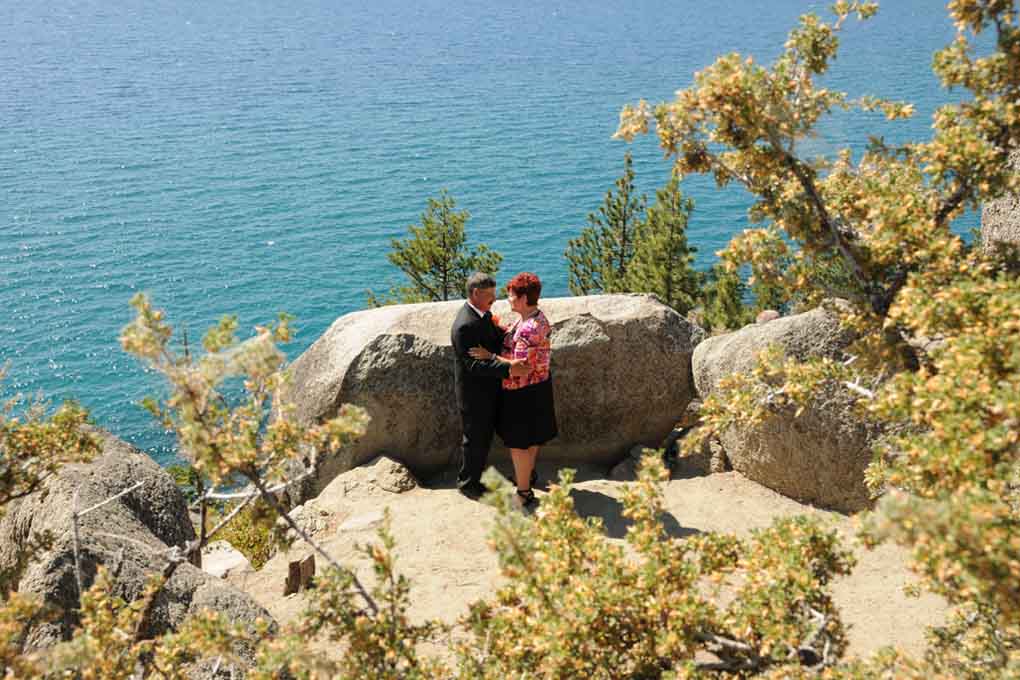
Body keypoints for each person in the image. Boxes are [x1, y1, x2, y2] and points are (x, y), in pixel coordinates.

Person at [469, 272, 557, 510]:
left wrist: (490, 356)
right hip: (537, 388)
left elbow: (518, 368)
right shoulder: (534, 318)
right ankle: (526, 476)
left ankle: (524, 492)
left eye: (511, 295)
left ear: (522, 298)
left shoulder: (529, 329)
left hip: (522, 392)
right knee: (531, 440)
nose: (507, 298)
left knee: (519, 444)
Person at [451, 272, 530, 498]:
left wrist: (507, 333)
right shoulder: (464, 326)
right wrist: (509, 368)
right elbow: (473, 366)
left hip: (490, 389)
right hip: (474, 394)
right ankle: (468, 484)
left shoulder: (482, 315)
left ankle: (520, 474)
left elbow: (493, 339)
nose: (494, 300)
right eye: (490, 295)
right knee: (475, 440)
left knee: (488, 437)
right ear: (475, 294)